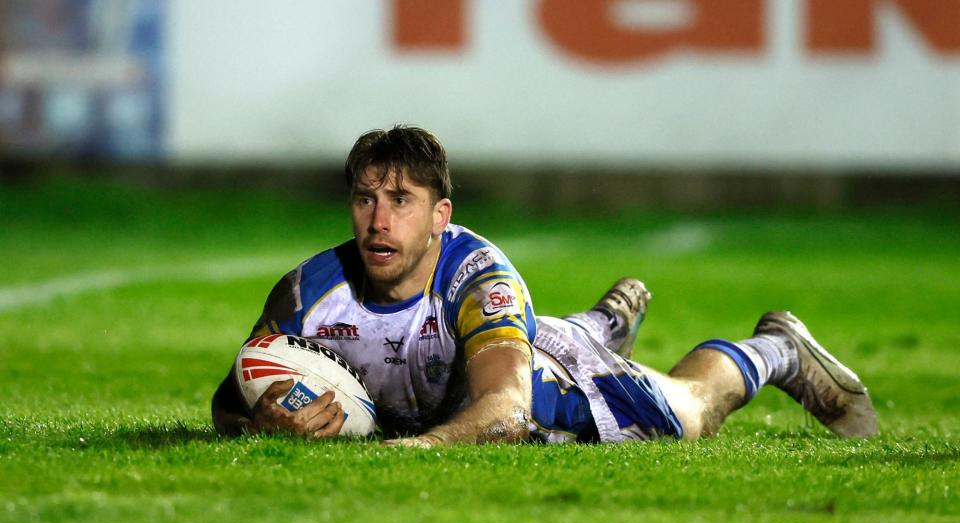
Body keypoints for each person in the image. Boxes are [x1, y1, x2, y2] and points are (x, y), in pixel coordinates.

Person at [211, 125, 877, 445]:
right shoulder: (305, 294)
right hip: (492, 359)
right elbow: (229, 396)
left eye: (401, 200)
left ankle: (777, 349)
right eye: (364, 199)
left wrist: (416, 448)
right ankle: (602, 320)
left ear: (442, 216)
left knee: (694, 411)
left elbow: (506, 410)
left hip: (554, 382)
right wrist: (259, 422)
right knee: (542, 332)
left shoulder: (479, 278)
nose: (379, 220)